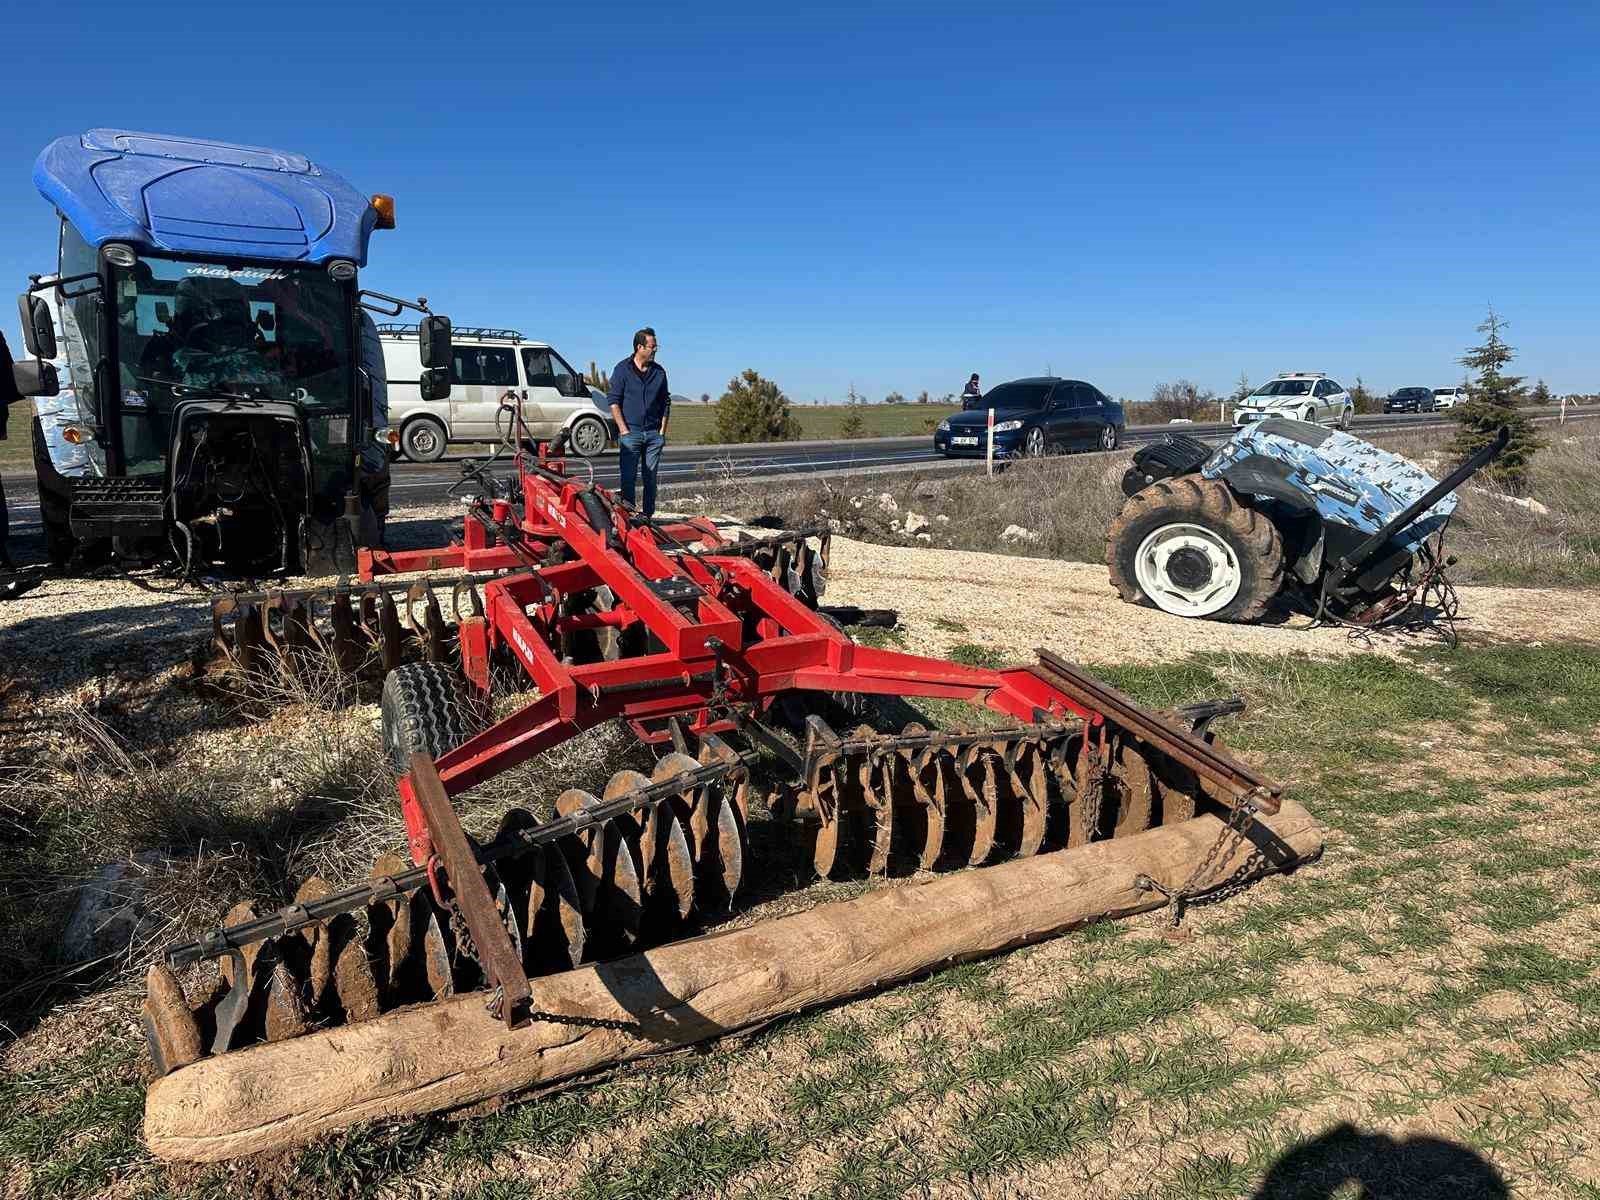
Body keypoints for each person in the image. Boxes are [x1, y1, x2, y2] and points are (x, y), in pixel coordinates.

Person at [606, 327, 671, 517]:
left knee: (650, 478)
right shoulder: (622, 370)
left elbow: (665, 402)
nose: (655, 349)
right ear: (639, 347)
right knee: (628, 478)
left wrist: (661, 433)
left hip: (653, 435)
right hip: (630, 434)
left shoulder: (659, 373)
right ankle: (630, 517)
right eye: (652, 346)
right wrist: (624, 430)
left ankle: (648, 518)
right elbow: (613, 401)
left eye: (656, 346)